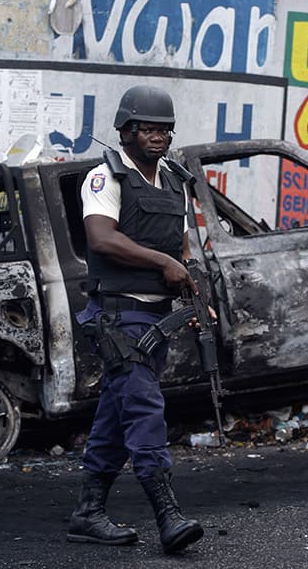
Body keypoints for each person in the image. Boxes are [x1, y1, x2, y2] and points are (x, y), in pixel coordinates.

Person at [66, 85, 205, 554]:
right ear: (125, 131)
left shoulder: (173, 181)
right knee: (144, 410)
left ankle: (88, 513)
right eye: (147, 128)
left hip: (155, 318)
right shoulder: (105, 179)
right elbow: (102, 239)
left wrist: (185, 280)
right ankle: (168, 515)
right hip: (118, 317)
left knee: (114, 415)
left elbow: (179, 248)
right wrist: (161, 264)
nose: (157, 137)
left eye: (164, 129)